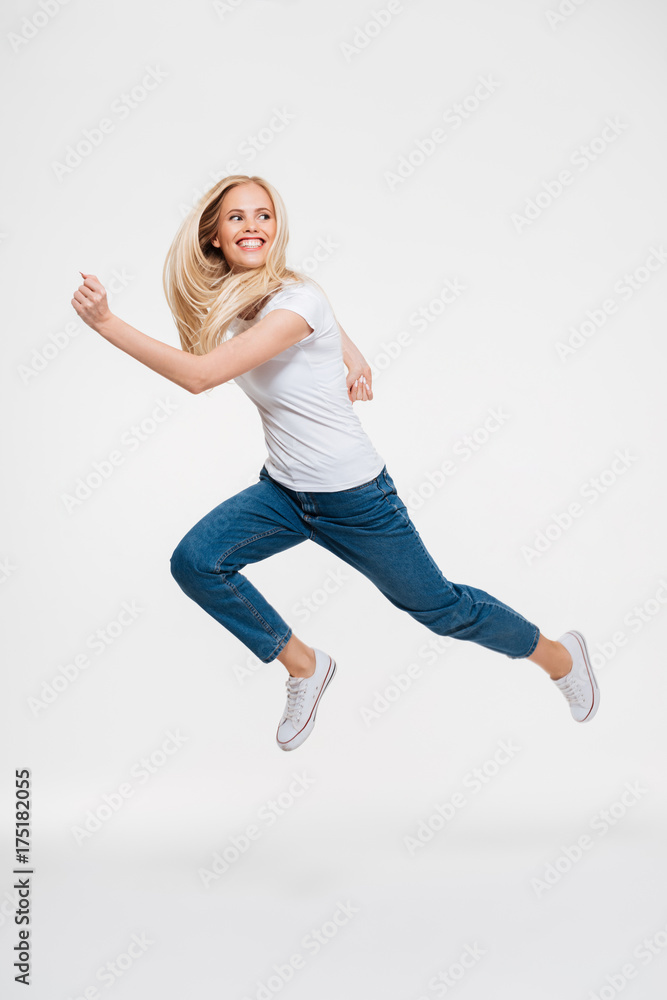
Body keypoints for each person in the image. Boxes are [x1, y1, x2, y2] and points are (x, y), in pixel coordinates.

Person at [71, 173, 600, 752]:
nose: (253, 226)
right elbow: (316, 310)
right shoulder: (251, 298)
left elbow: (201, 377)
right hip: (283, 493)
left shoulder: (296, 302)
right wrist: (352, 354)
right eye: (238, 217)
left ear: (277, 228)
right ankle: (304, 665)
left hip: (356, 500)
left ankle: (560, 656)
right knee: (197, 562)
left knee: (442, 609)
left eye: (264, 215)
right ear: (215, 236)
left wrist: (105, 323)